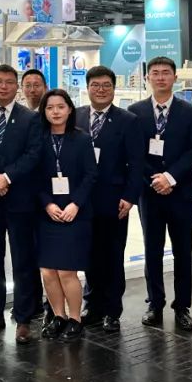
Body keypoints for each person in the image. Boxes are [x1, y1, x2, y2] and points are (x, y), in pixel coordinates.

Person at [128, 56, 192, 332]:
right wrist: (155, 179)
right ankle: (155, 303)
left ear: (175, 77)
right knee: (152, 249)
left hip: (181, 191)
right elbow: (135, 154)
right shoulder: (135, 112)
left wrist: (170, 177)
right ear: (148, 77)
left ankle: (182, 306)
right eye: (155, 73)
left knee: (183, 250)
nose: (160, 77)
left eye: (166, 73)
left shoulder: (190, 112)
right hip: (149, 193)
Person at [75, 67, 144, 332]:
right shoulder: (76, 116)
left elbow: (136, 163)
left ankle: (112, 310)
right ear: (87, 88)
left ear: (113, 89)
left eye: (106, 85)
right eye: (95, 85)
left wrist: (130, 196)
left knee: (113, 255)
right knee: (89, 254)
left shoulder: (128, 120)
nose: (101, 90)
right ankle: (92, 305)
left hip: (114, 200)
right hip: (82, 200)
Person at [0, 64, 43, 344]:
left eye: (9, 82)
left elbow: (34, 154)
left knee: (23, 260)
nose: (3, 86)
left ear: (17, 87)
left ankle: (23, 318)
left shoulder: (31, 118)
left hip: (21, 200)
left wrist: (6, 177)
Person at [37, 90, 97, 343]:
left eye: (60, 107)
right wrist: (47, 204)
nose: (55, 112)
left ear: (70, 109)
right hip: (47, 214)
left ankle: (75, 319)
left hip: (75, 214)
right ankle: (58, 316)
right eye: (50, 107)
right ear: (44, 111)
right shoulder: (39, 139)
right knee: (48, 271)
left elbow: (91, 175)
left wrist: (75, 204)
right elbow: (33, 177)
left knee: (66, 271)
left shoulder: (82, 139)